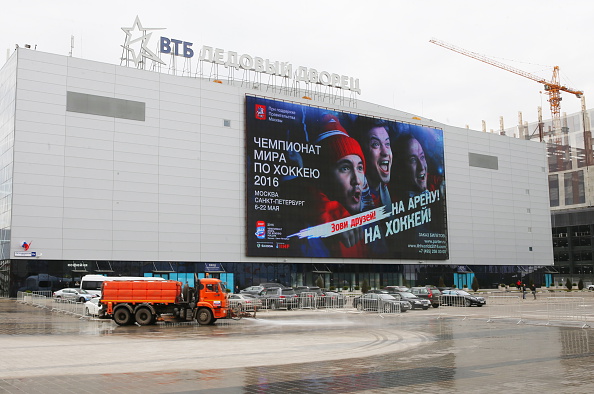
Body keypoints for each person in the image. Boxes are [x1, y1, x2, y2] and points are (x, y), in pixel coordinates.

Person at [294, 114, 367, 257]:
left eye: (360, 168)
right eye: (345, 168)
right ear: (324, 175)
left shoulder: (370, 222)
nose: (357, 180)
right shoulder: (307, 231)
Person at [352, 119, 393, 210]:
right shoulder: (354, 198)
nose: (385, 152)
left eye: (387, 144)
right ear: (362, 151)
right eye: (375, 144)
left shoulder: (391, 190)